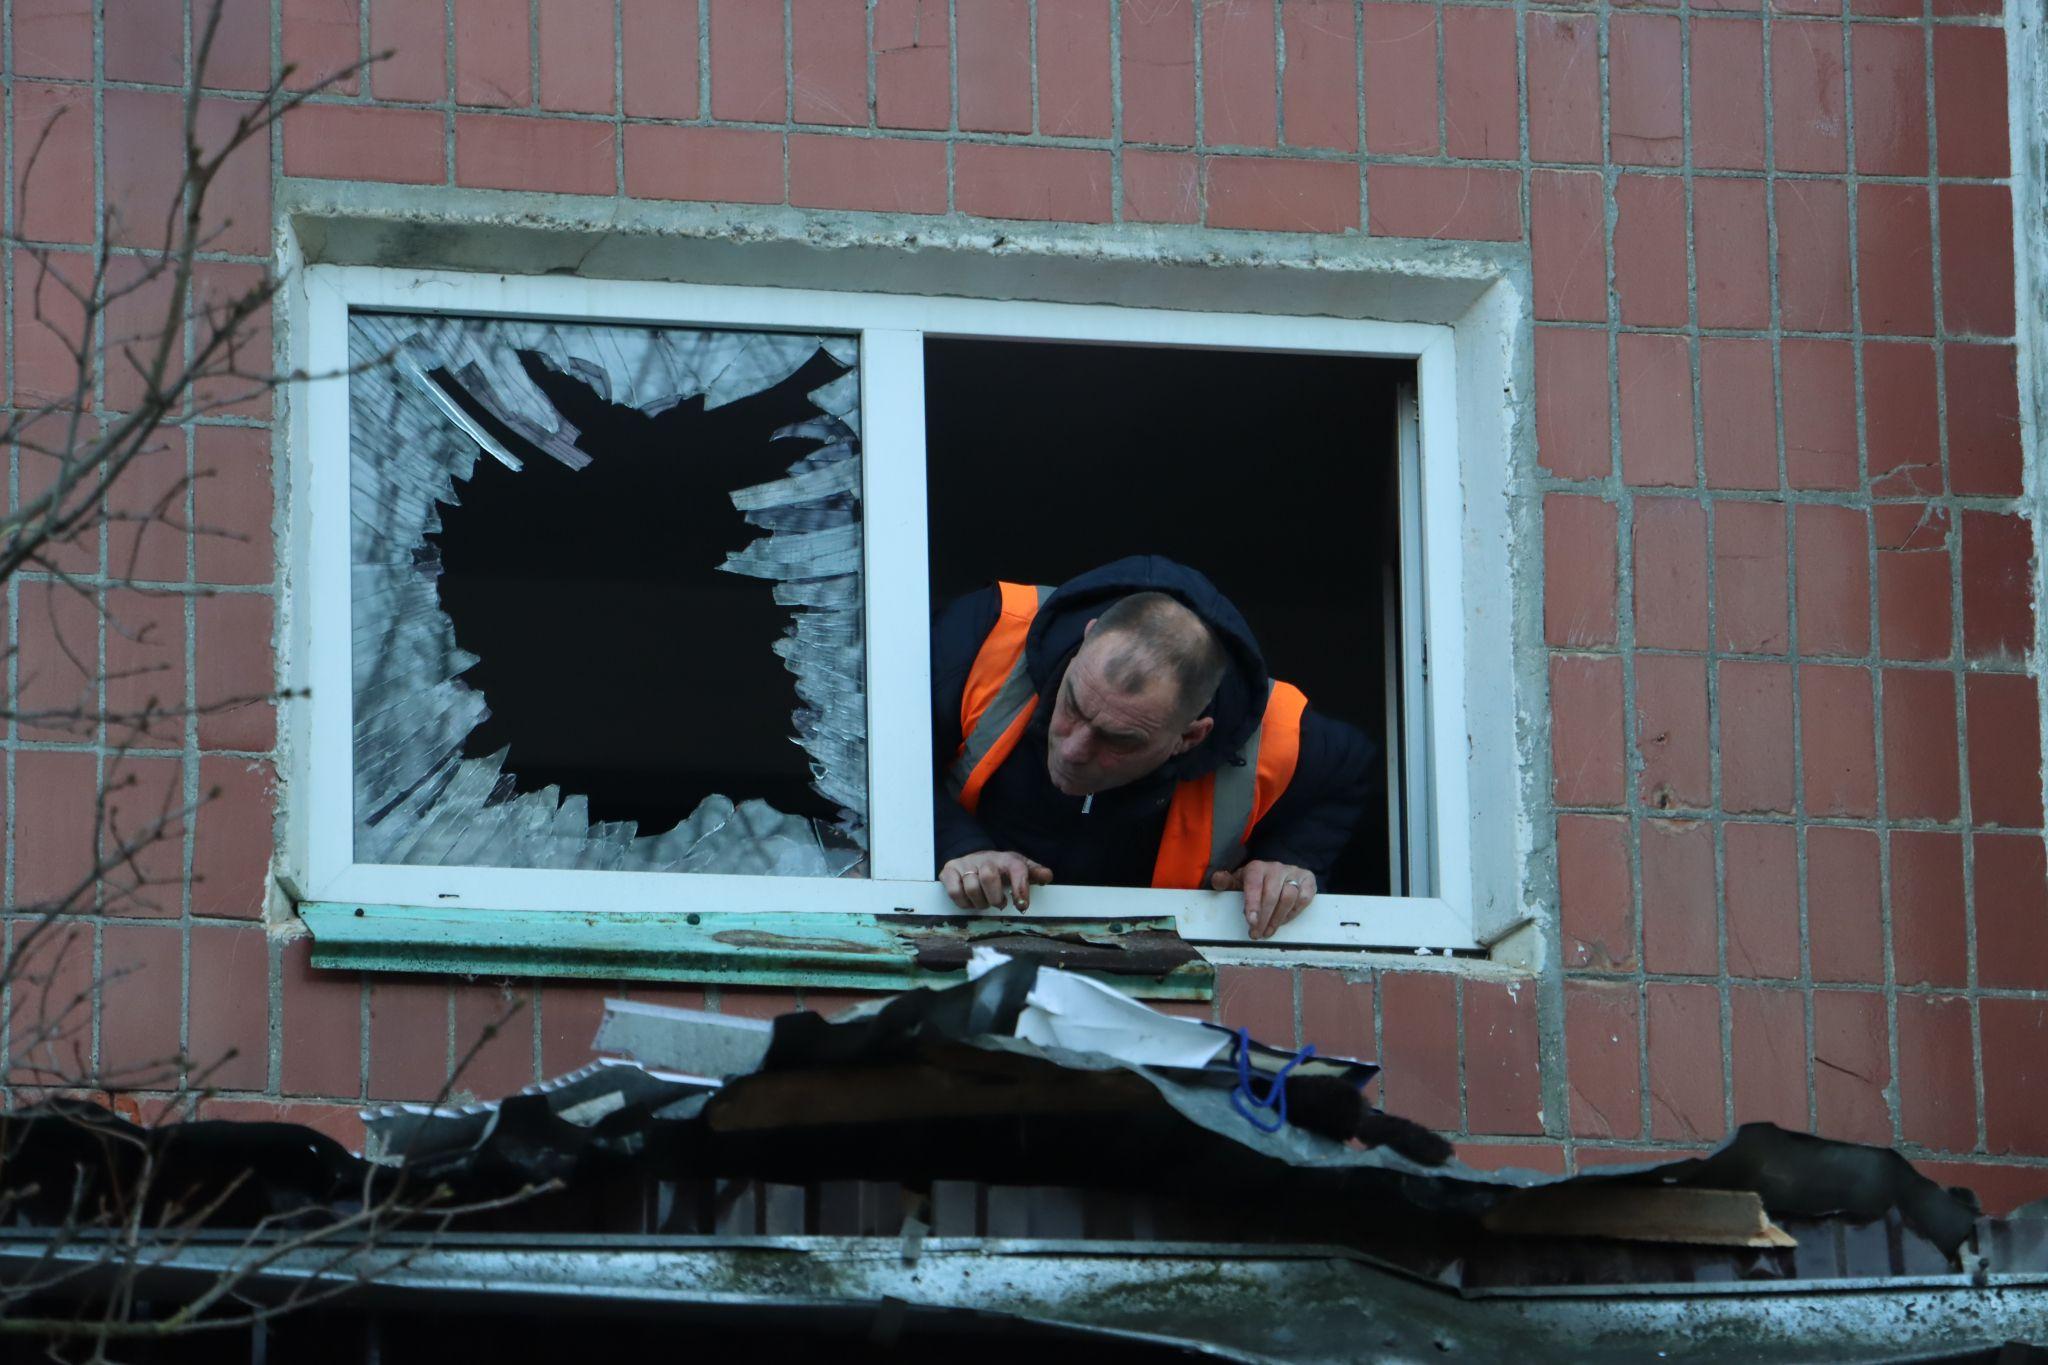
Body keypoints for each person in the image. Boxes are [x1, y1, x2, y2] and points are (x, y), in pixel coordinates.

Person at [931, 555, 1377, 939]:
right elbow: (889, 767)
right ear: (1086, 639)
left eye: (1119, 739)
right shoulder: (989, 633)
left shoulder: (1281, 732)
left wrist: (1287, 861)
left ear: (1191, 736)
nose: (1072, 750)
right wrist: (959, 844)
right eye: (1073, 705)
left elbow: (1350, 771)